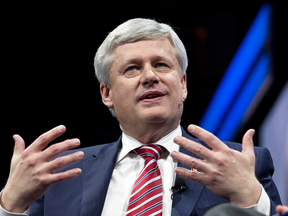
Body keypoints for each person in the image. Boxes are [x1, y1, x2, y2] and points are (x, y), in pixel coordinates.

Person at [0, 18, 282, 216]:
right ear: (106, 93)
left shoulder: (241, 166)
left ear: (182, 85)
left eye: (161, 64)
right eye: (132, 69)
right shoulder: (60, 178)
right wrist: (11, 205)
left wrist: (248, 197)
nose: (150, 76)